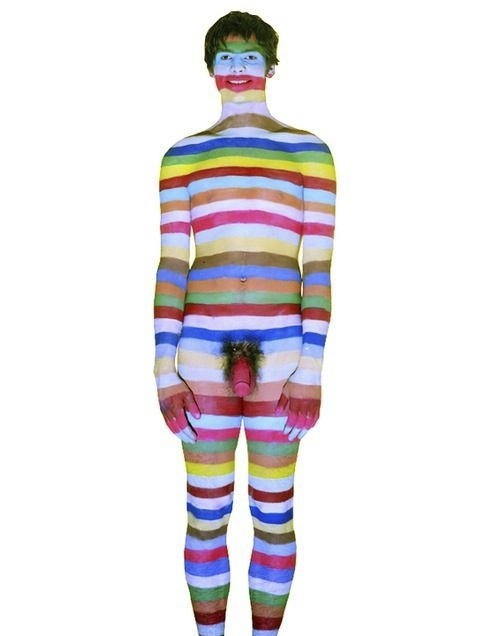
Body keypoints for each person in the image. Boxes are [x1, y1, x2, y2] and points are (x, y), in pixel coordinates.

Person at [154, 11, 336, 636]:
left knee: (273, 512)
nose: (237, 69)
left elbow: (318, 267)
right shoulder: (182, 157)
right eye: (226, 58)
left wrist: (311, 368)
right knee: (205, 513)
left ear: (271, 67)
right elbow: (172, 263)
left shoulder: (310, 152)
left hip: (283, 354)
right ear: (210, 68)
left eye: (249, 57)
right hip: (199, 353)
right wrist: (163, 369)